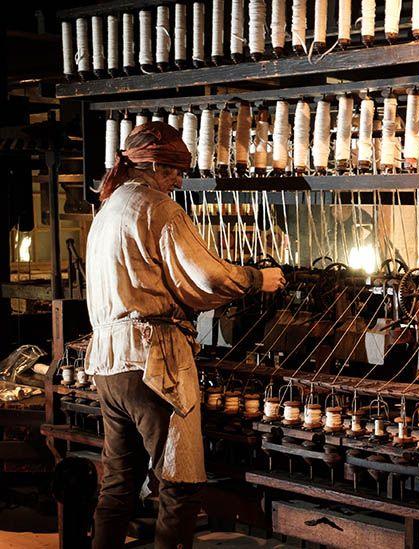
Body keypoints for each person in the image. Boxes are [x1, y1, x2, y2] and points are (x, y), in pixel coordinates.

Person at [83, 122, 284, 548]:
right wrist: (256, 279)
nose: (178, 181)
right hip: (153, 364)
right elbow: (206, 277)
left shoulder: (107, 211)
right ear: (153, 165)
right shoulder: (158, 208)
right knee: (180, 483)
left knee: (118, 483)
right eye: (174, 171)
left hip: (108, 365)